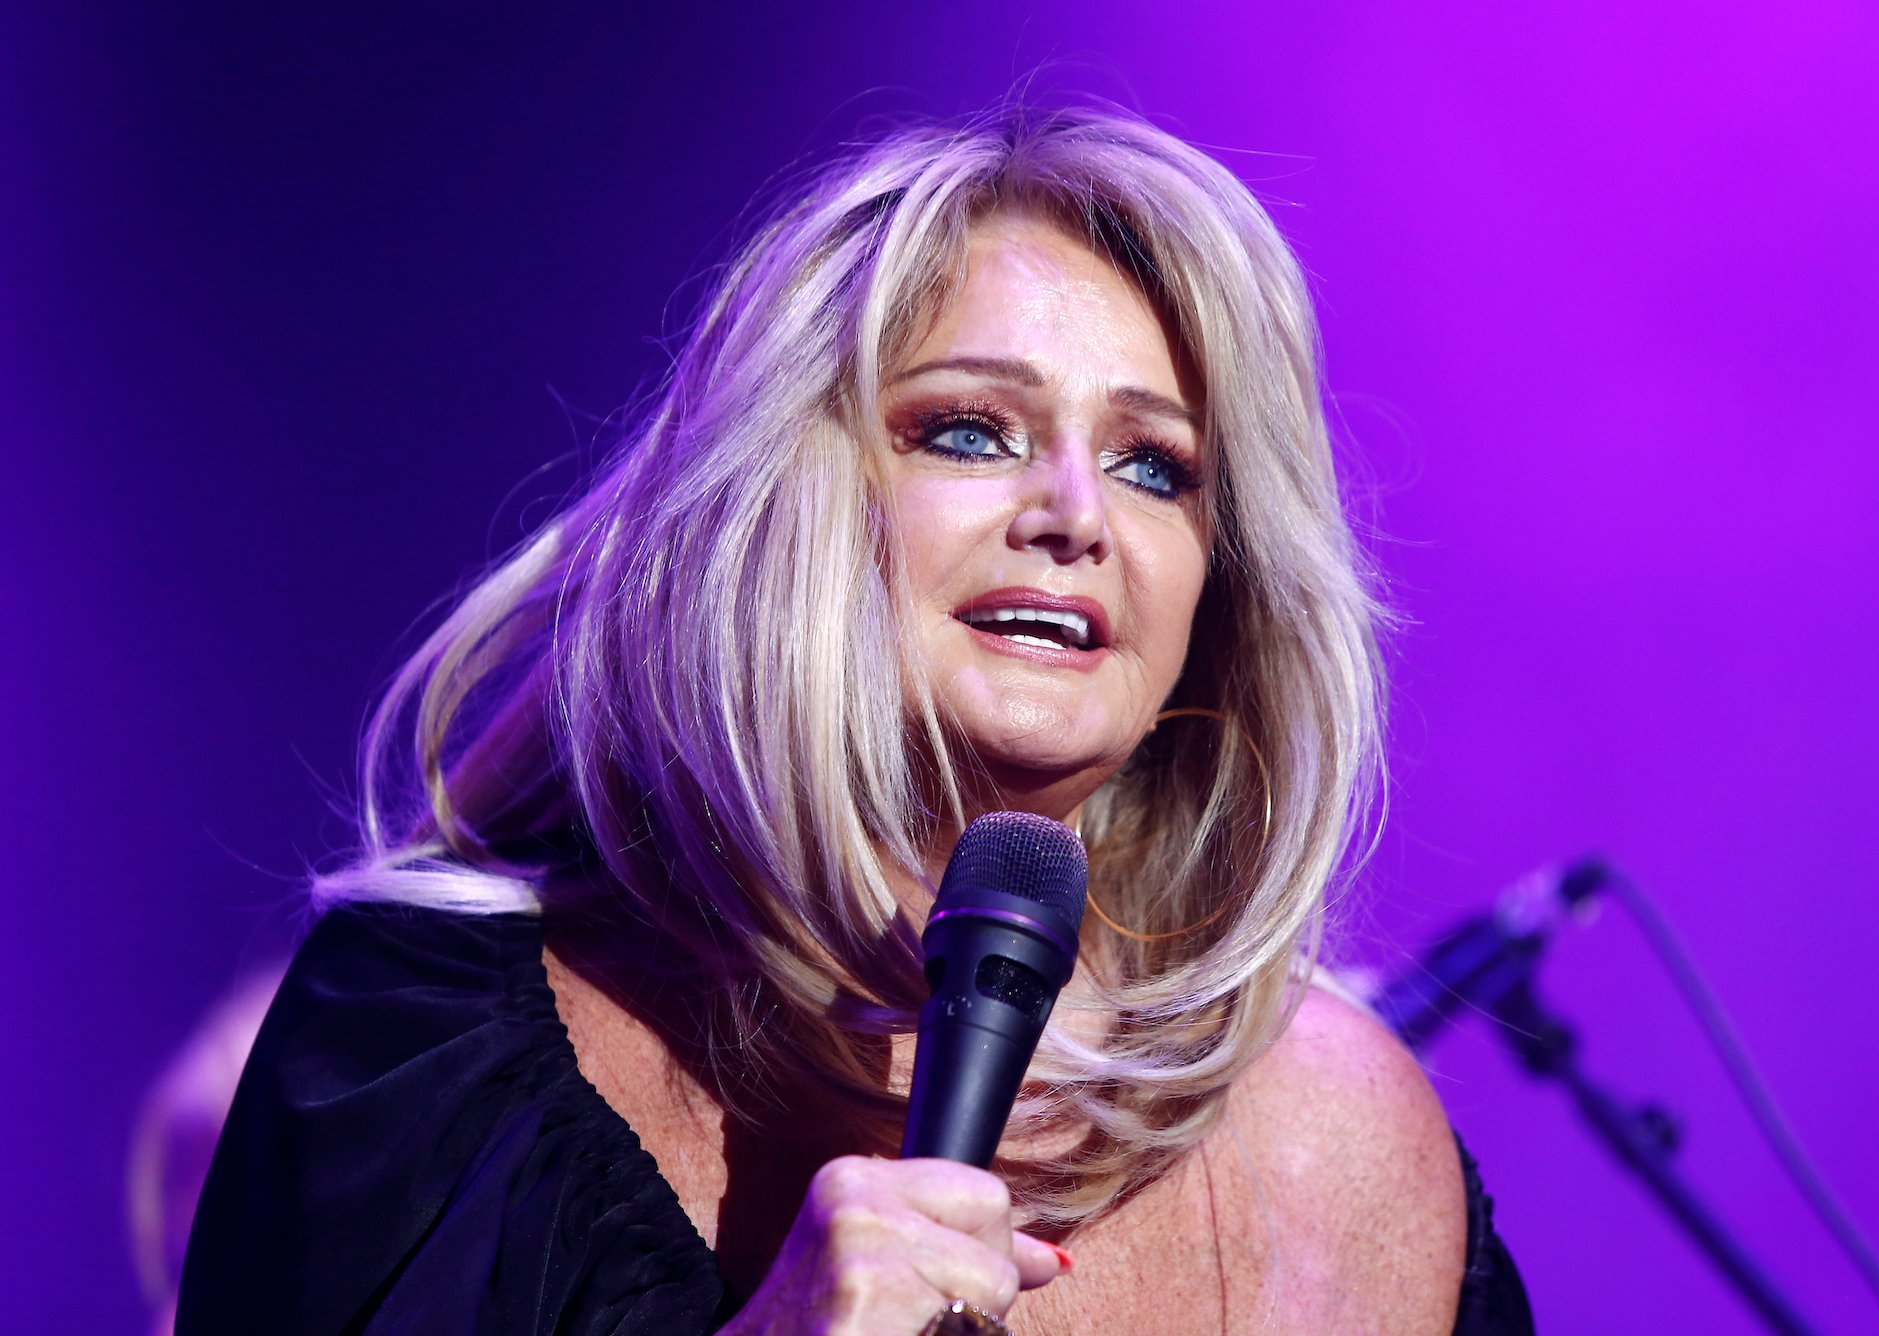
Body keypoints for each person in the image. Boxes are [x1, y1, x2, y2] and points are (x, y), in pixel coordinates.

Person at [179, 106, 1532, 1334]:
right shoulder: (429, 1047)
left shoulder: (1342, 1141)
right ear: (790, 502)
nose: (1075, 514)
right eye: (969, 431)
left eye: (1151, 465)